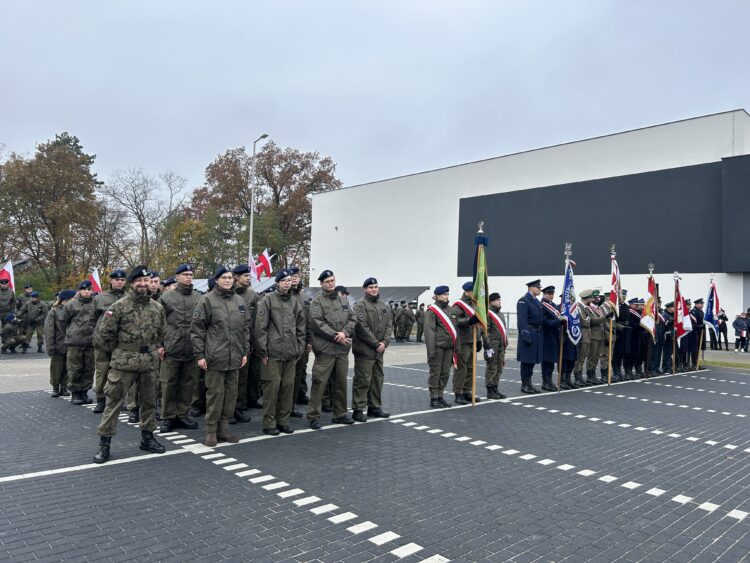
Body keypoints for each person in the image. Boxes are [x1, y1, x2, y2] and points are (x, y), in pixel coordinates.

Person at [92, 266, 167, 464]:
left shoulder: (157, 307)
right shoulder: (119, 306)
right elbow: (104, 336)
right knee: (114, 403)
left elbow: (161, 333)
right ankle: (104, 444)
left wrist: (153, 349)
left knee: (149, 402)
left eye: (146, 280)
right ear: (132, 283)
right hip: (123, 363)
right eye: (138, 281)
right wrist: (119, 353)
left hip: (148, 362)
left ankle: (148, 438)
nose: (143, 284)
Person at [191, 266, 251, 446]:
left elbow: (245, 328)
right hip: (215, 357)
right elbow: (197, 330)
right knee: (215, 395)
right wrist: (200, 355)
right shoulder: (207, 300)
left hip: (235, 357)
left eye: (230, 277)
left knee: (231, 395)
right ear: (216, 280)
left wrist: (245, 351)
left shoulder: (239, 300)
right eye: (224, 277)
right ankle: (211, 431)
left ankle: (224, 429)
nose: (227, 280)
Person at [255, 269, 306, 435]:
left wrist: (299, 348)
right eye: (283, 280)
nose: (287, 283)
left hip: (290, 353)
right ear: (277, 283)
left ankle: (283, 421)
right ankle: (269, 423)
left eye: (289, 280)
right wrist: (263, 351)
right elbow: (260, 327)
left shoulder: (295, 302)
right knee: (272, 389)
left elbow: (301, 328)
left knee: (288, 388)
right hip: (272, 353)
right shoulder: (268, 300)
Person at [307, 270, 356, 429]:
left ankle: (340, 414)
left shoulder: (343, 301)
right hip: (325, 350)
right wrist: (336, 335)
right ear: (321, 283)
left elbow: (352, 319)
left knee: (341, 383)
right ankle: (313, 416)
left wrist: (345, 333)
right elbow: (317, 323)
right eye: (327, 281)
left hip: (341, 350)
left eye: (332, 280)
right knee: (319, 383)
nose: (331, 284)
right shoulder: (317, 302)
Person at [158, 264, 201, 432]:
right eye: (185, 274)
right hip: (172, 347)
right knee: (168, 384)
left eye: (190, 274)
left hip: (191, 348)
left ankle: (182, 415)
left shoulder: (198, 297)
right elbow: (158, 322)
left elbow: (203, 323)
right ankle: (168, 417)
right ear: (177, 277)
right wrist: (159, 345)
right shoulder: (167, 297)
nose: (189, 277)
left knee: (187, 384)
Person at [351, 277, 392, 421]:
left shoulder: (382, 305)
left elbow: (389, 325)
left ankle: (374, 407)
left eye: (376, 287)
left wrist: (384, 342)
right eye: (371, 287)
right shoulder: (360, 305)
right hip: (365, 350)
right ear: (365, 289)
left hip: (379, 351)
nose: (374, 289)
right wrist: (376, 344)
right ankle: (358, 409)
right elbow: (361, 327)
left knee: (377, 380)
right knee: (363, 381)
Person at [92, 269, 127, 413]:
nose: (120, 282)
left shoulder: (129, 297)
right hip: (103, 342)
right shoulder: (100, 298)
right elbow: (93, 319)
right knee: (102, 372)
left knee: (120, 374)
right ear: (111, 281)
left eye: (122, 280)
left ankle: (118, 400)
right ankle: (100, 400)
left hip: (121, 343)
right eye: (117, 280)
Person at [63, 280, 97, 405]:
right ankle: (75, 393)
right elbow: (63, 320)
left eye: (89, 289)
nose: (86, 292)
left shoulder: (96, 303)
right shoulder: (71, 304)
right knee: (74, 368)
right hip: (75, 342)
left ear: (92, 291)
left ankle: (84, 392)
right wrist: (71, 332)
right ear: (79, 291)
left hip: (91, 342)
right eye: (84, 290)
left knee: (89, 369)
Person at [232, 264, 258, 424]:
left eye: (249, 275)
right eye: (245, 276)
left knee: (242, 377)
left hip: (245, 340)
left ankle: (239, 407)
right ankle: (227, 410)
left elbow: (255, 321)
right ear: (236, 277)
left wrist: (252, 341)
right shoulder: (229, 293)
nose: (249, 278)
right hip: (228, 341)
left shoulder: (252, 295)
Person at [424, 286, 457, 408]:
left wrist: (456, 347)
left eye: (447, 294)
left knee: (445, 373)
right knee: (435, 372)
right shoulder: (432, 311)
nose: (446, 296)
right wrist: (431, 352)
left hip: (449, 347)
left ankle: (440, 396)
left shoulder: (450, 309)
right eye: (443, 294)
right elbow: (429, 332)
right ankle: (434, 398)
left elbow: (455, 329)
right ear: (437, 296)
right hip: (437, 347)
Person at [451, 281, 481, 404]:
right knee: (461, 368)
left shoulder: (474, 304)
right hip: (462, 341)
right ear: (467, 291)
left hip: (472, 340)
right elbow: (456, 321)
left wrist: (478, 339)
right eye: (474, 291)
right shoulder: (458, 305)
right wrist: (469, 320)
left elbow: (477, 324)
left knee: (470, 367)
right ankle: (458, 392)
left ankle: (467, 390)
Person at [45, 289, 75, 397]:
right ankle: (55, 387)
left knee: (68, 368)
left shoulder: (73, 311)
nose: (74, 301)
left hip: (70, 344)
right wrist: (50, 346)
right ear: (65, 300)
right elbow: (49, 331)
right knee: (56, 368)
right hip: (58, 344)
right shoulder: (53, 312)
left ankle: (64, 387)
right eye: (72, 299)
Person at [290, 267, 311, 411]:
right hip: (287, 340)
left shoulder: (304, 298)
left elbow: (309, 321)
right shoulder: (284, 296)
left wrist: (309, 341)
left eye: (296, 277)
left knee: (301, 369)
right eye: (291, 277)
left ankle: (300, 394)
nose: (294, 279)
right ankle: (287, 403)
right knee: (288, 373)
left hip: (302, 340)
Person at [517, 279, 544, 393]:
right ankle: (525, 385)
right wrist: (525, 335)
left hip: (536, 334)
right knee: (526, 361)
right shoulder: (523, 301)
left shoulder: (536, 301)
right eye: (538, 287)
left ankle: (529, 383)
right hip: (529, 333)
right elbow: (522, 320)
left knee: (532, 361)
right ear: (531, 288)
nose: (540, 289)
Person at [483, 292, 507, 398]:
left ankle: (495, 388)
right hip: (492, 345)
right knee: (491, 367)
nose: (499, 302)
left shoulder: (500, 314)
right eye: (497, 300)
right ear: (491, 302)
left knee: (499, 367)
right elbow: (485, 331)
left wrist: (505, 342)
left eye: (499, 300)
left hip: (501, 345)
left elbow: (504, 330)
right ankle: (490, 389)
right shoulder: (487, 314)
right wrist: (487, 345)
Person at [690, 298, 706, 369]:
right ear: (697, 304)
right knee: (695, 349)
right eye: (701, 303)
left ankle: (697, 363)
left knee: (698, 349)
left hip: (700, 332)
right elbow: (693, 324)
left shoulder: (701, 311)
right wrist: (700, 326)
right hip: (695, 332)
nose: (702, 305)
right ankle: (694, 364)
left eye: (702, 304)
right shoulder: (693, 312)